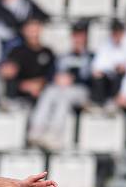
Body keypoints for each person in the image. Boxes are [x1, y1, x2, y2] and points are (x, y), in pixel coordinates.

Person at [28, 21, 94, 150]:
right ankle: (36, 130)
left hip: (81, 90)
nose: (78, 38)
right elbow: (51, 74)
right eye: (76, 35)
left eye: (81, 35)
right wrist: (57, 78)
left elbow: (92, 78)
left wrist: (73, 79)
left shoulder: (91, 56)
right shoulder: (63, 56)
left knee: (64, 96)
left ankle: (54, 134)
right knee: (49, 91)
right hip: (60, 87)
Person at [91, 19, 126, 108]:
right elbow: (98, 65)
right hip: (111, 83)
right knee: (98, 78)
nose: (116, 35)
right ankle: (99, 105)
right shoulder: (107, 42)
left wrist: (125, 93)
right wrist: (113, 68)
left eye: (118, 32)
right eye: (114, 32)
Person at [0, 18, 55, 102]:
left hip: (41, 93)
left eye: (36, 29)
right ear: (24, 31)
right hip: (19, 94)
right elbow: (9, 72)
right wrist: (25, 86)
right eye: (31, 29)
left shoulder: (48, 52)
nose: (34, 33)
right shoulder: (17, 51)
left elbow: (51, 75)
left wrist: (39, 85)